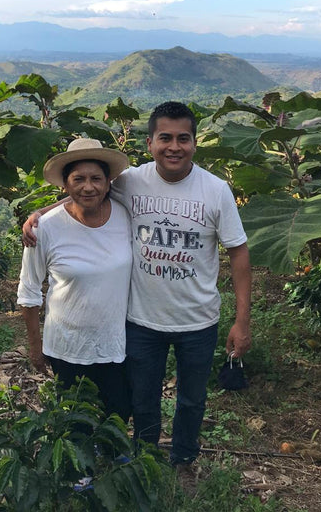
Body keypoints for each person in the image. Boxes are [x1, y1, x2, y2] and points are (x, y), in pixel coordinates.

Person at [23, 102, 252, 469]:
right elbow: (87, 188)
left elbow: (239, 254)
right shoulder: (133, 181)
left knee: (192, 399)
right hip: (142, 321)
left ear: (195, 143)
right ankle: (144, 463)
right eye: (165, 138)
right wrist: (42, 214)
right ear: (150, 143)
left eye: (183, 138)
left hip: (199, 320)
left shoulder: (216, 190)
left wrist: (242, 320)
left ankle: (182, 460)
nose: (173, 147)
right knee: (143, 399)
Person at [17, 138, 132, 422]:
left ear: (108, 182)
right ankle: (80, 466)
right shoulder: (45, 229)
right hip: (67, 345)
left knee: (117, 412)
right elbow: (29, 290)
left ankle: (115, 460)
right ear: (65, 185)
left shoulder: (126, 215)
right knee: (76, 418)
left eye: (96, 178)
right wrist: (35, 346)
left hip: (117, 341)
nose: (88, 186)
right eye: (78, 179)